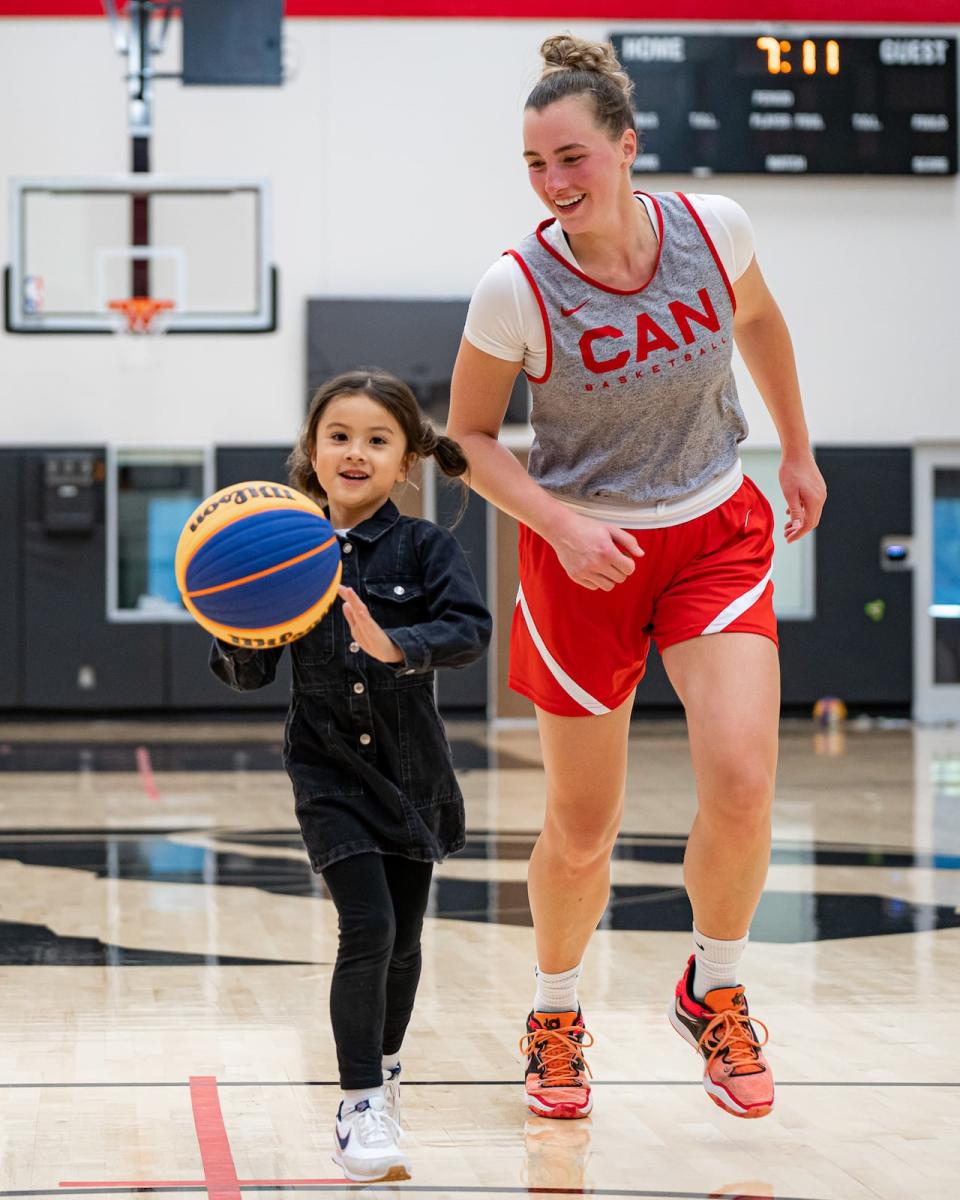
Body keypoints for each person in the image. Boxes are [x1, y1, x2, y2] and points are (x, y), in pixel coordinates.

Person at [447, 34, 826, 1122]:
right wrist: (560, 526)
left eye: (571, 157)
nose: (555, 183)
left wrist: (796, 450)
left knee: (745, 782)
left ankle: (715, 988)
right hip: (586, 557)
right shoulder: (514, 289)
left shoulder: (714, 230)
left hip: (714, 529)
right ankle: (557, 1013)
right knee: (581, 824)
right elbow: (471, 439)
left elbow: (758, 319)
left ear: (626, 145)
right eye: (534, 165)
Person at [211, 369, 492, 1179]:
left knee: (405, 942)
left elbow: (469, 629)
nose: (356, 453)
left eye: (378, 439)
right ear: (313, 450)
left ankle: (387, 1065)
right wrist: (230, 624)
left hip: (413, 773)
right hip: (328, 772)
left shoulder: (426, 547)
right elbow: (250, 676)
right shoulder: (281, 550)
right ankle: (360, 1100)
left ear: (406, 461)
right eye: (340, 436)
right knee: (367, 927)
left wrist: (397, 645)